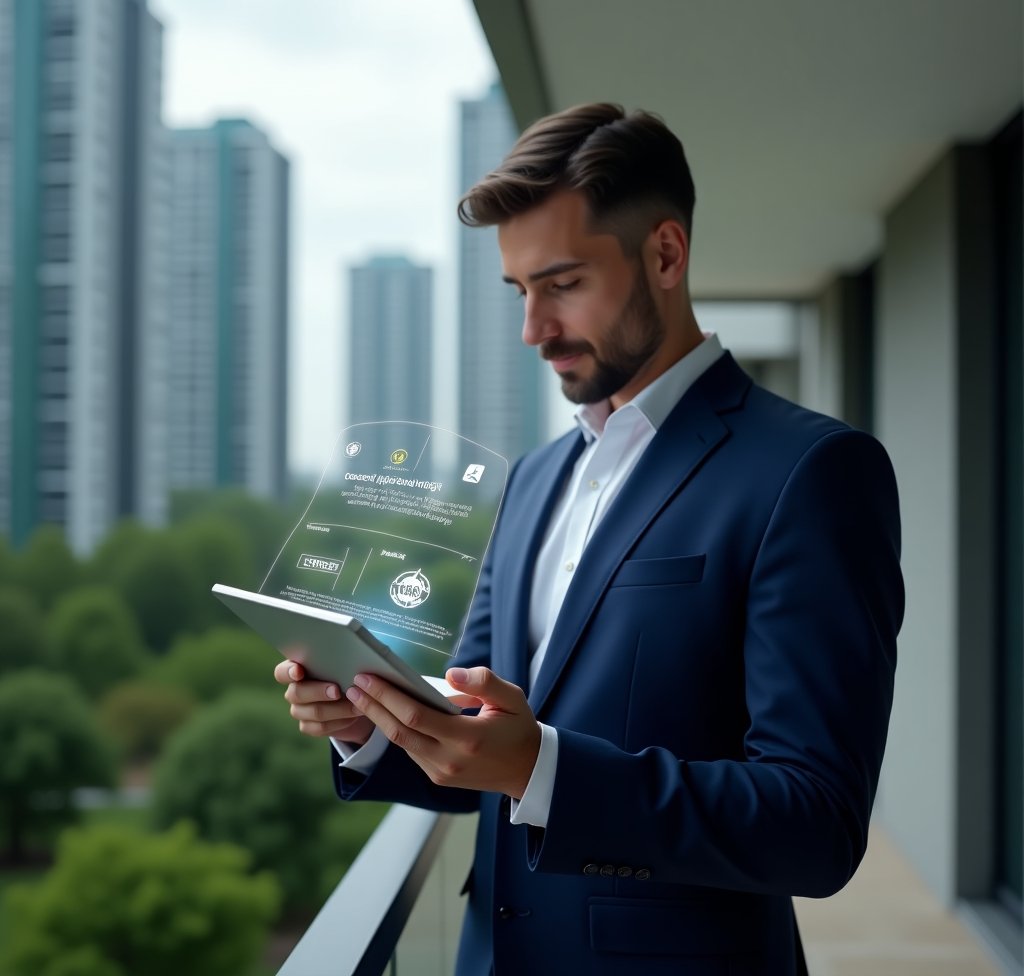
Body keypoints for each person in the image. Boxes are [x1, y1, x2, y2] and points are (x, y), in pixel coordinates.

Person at [276, 103, 904, 975]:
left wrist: (547, 768)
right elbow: (477, 730)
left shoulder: (812, 472)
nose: (534, 329)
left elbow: (816, 824)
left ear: (666, 255)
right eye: (520, 291)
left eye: (562, 284)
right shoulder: (532, 479)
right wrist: (371, 723)